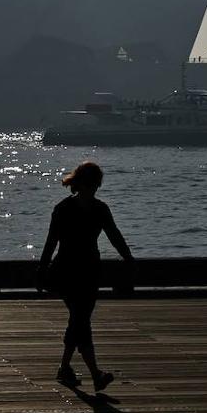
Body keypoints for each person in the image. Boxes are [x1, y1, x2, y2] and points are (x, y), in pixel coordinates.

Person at [38, 161, 133, 392]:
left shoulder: (99, 209)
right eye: (90, 183)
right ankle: (95, 374)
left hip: (89, 271)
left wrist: (128, 258)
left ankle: (64, 368)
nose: (93, 187)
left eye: (95, 183)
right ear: (79, 183)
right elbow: (51, 242)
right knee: (81, 319)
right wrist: (42, 272)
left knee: (78, 320)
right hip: (67, 272)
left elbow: (114, 235)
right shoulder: (63, 209)